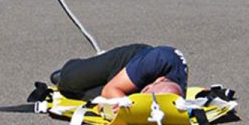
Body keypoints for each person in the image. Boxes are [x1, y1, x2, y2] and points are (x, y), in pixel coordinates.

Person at [50, 43, 188, 101]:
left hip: (142, 78)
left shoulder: (177, 93)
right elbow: (110, 89)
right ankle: (71, 68)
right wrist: (126, 105)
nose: (144, 95)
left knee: (79, 96)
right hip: (128, 61)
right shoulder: (156, 59)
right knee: (68, 81)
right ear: (161, 80)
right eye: (146, 91)